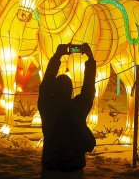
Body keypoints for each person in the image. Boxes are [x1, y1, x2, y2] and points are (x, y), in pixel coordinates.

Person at [39, 43, 97, 178]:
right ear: (71, 91)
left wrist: (57, 56)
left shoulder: (47, 107)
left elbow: (45, 84)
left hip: (50, 164)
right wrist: (90, 59)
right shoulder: (77, 108)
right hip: (73, 166)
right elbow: (88, 89)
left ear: (53, 90)